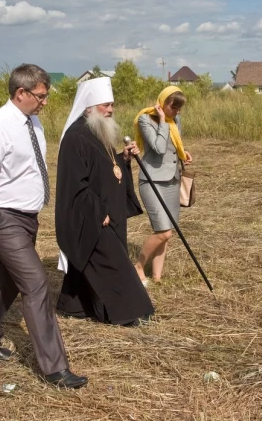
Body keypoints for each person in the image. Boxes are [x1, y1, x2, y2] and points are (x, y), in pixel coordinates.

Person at [0, 63, 87, 389]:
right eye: (41, 95)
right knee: (35, 284)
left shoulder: (32, 122)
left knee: (4, 282)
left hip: (26, 219)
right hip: (5, 219)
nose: (45, 102)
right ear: (20, 93)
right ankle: (55, 369)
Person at [55, 77, 155, 326]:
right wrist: (98, 211)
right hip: (93, 214)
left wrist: (124, 159)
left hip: (108, 209)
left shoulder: (97, 131)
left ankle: (74, 306)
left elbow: (106, 168)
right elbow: (76, 183)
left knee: (90, 261)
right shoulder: (76, 137)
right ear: (89, 106)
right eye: (105, 105)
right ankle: (130, 312)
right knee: (113, 264)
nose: (110, 109)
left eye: (112, 105)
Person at [133, 86, 192, 285]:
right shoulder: (145, 119)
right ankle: (138, 266)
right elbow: (158, 148)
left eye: (179, 109)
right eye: (174, 108)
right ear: (163, 103)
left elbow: (172, 145)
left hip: (172, 180)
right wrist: (164, 121)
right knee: (163, 231)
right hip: (152, 181)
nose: (177, 112)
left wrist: (183, 153)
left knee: (168, 233)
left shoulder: (176, 119)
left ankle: (157, 277)